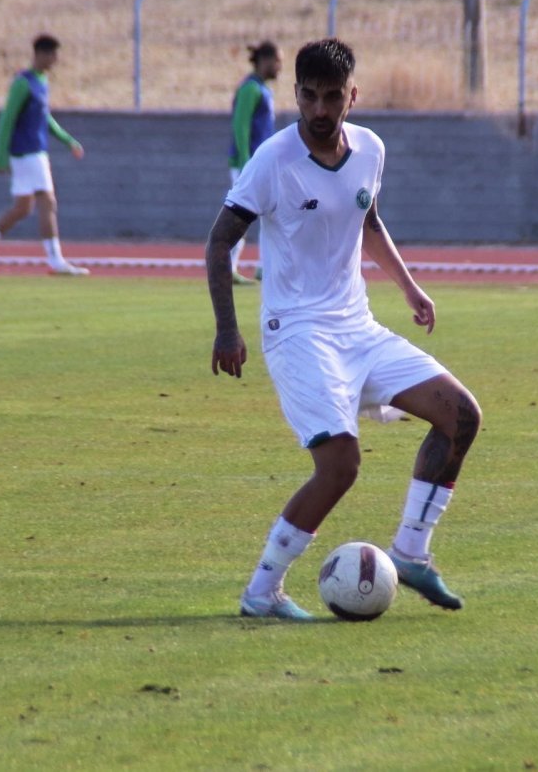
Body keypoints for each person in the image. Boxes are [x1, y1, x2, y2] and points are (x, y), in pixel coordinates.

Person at [206, 38, 482, 620]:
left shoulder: (370, 150)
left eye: (334, 97)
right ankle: (262, 592)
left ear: (352, 96)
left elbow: (368, 218)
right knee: (340, 465)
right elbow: (220, 240)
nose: (321, 109)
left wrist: (409, 288)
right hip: (297, 332)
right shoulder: (274, 160)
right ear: (297, 96)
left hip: (357, 327)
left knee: (461, 416)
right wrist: (227, 329)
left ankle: (411, 552)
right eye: (310, 97)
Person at [0, 34, 88, 277]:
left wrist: (67, 140)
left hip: (34, 152)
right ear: (40, 54)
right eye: (52, 55)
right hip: (28, 153)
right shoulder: (24, 82)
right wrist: (0, 156)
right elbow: (6, 119)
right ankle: (55, 261)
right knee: (48, 202)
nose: (56, 60)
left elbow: (45, 118)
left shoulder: (42, 81)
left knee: (22, 208)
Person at [227, 40, 282, 285]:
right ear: (265, 61)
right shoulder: (250, 89)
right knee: (241, 214)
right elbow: (240, 126)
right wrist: (246, 162)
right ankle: (226, 267)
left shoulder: (263, 89)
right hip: (248, 164)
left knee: (272, 214)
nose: (280, 66)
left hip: (262, 165)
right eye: (277, 61)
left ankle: (264, 267)